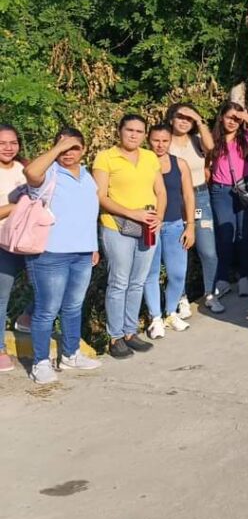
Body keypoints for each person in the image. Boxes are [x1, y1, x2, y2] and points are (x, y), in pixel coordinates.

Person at [21, 129, 103, 383]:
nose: (68, 153)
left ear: (84, 149)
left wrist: (93, 246)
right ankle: (41, 362)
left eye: (74, 148)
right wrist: (58, 148)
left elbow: (89, 212)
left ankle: (70, 354)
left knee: (73, 307)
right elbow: (31, 173)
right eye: (63, 148)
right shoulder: (50, 174)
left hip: (82, 253)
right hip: (50, 254)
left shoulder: (88, 176)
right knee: (47, 310)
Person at [94, 114, 166, 358]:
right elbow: (101, 196)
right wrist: (131, 213)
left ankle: (129, 331)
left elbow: (160, 191)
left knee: (138, 281)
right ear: (120, 131)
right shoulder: (105, 158)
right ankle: (115, 337)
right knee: (119, 281)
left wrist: (160, 217)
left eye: (139, 131)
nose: (134, 135)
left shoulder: (149, 157)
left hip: (147, 226)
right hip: (117, 226)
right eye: (129, 130)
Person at [142, 124, 196, 339]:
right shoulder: (142, 164)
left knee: (177, 273)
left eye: (165, 140)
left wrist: (190, 225)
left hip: (174, 224)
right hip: (150, 225)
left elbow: (189, 196)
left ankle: (171, 312)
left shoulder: (179, 164)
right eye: (156, 140)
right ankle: (155, 317)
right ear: (149, 140)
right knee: (151, 273)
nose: (160, 145)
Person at [166, 103, 217, 318]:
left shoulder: (197, 141)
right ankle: (181, 297)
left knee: (208, 250)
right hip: (174, 199)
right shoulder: (164, 142)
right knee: (179, 251)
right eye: (180, 116)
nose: (184, 121)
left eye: (189, 118)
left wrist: (199, 119)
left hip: (199, 197)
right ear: (171, 119)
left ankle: (210, 293)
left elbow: (212, 147)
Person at [207, 102, 248, 304]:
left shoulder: (247, 138)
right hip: (221, 191)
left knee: (244, 234)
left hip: (244, 190)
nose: (233, 122)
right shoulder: (213, 140)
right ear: (221, 117)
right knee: (224, 235)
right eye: (230, 117)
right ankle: (222, 278)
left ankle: (244, 276)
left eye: (237, 119)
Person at [0, 123, 27, 373]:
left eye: (13, 142)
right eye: (2, 143)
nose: (8, 148)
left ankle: (26, 318)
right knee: (1, 297)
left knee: (46, 286)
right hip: (2, 242)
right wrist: (18, 205)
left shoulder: (24, 168)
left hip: (29, 239)